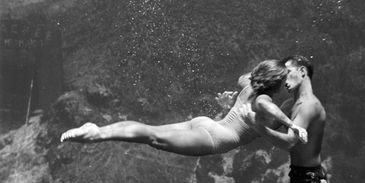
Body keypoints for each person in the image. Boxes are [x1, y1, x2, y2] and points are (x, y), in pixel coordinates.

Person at [60, 59, 308, 156]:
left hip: (206, 124)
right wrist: (292, 125)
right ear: (275, 82)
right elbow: (271, 110)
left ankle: (99, 131)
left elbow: (246, 77)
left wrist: (231, 102)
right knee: (153, 136)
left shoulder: (248, 85)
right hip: (214, 138)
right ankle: (95, 134)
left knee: (151, 132)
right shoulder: (265, 101)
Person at [241, 55, 328, 183]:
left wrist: (258, 126)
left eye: (287, 73)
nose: (283, 79)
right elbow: (265, 129)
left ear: (303, 72)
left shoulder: (309, 106)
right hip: (303, 179)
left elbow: (289, 142)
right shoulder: (291, 103)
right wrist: (237, 108)